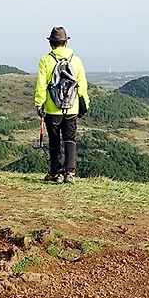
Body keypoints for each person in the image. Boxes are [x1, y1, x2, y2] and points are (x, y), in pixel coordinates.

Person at [34, 26, 89, 183]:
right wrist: (84, 104)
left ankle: (56, 172)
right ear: (66, 42)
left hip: (53, 108)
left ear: (51, 44)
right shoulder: (76, 60)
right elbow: (82, 85)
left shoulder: (46, 60)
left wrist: (39, 104)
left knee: (54, 140)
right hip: (72, 107)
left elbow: (41, 84)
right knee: (70, 139)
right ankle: (70, 173)